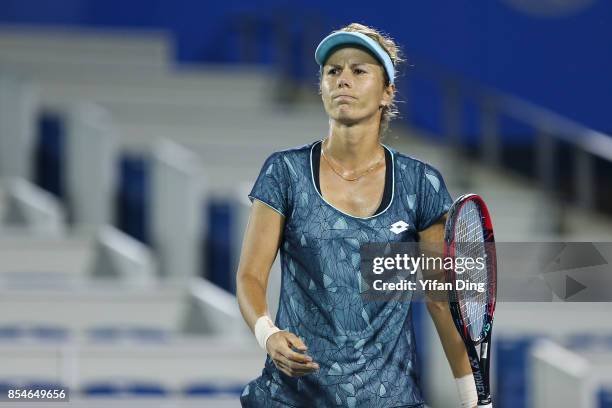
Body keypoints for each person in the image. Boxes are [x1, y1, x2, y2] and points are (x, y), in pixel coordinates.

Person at [237, 23, 478, 408]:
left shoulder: (421, 184)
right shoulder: (283, 172)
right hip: (292, 399)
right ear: (321, 87)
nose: (342, 80)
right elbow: (250, 275)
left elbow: (439, 300)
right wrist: (268, 333)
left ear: (387, 93)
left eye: (358, 70)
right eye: (333, 71)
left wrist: (471, 400)